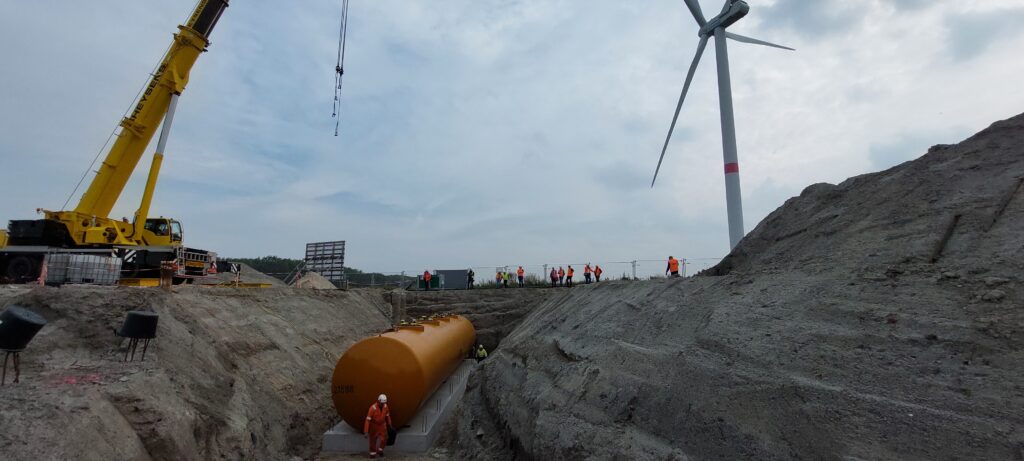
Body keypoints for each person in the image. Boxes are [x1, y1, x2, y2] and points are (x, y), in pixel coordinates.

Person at [364, 394, 393, 458]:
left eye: (384, 403)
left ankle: (380, 450)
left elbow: (388, 416)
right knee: (373, 440)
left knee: (385, 439)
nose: (383, 404)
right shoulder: (372, 408)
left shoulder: (385, 406)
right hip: (374, 426)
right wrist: (366, 431)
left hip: (382, 426)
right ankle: (372, 454)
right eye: (382, 403)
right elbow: (368, 420)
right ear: (378, 401)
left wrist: (389, 425)